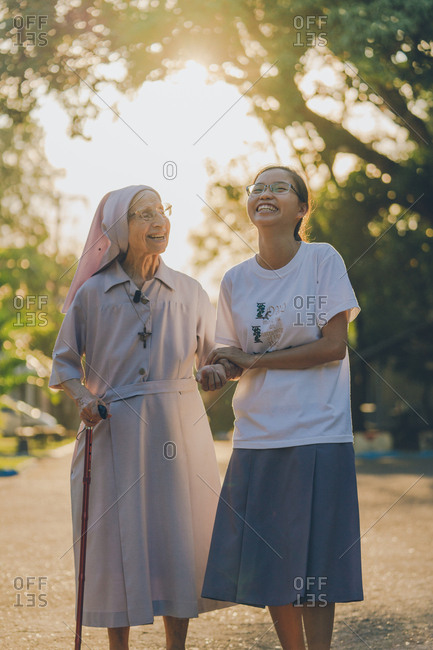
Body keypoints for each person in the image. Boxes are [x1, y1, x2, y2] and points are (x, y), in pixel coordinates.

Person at [49, 185, 231, 650]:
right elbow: (65, 365)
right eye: (144, 213)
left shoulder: (191, 290)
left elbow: (216, 359)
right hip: (113, 430)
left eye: (162, 211)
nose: (158, 221)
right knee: (115, 543)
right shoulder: (92, 294)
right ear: (117, 229)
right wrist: (82, 399)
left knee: (177, 538)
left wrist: (214, 371)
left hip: (178, 429)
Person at [198, 165, 364, 650]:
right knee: (273, 567)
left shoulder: (322, 260)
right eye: (258, 188)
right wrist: (218, 371)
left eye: (279, 188)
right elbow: (231, 360)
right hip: (258, 435)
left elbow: (334, 346)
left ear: (301, 208)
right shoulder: (235, 280)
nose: (265, 194)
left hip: (319, 431)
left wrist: (253, 359)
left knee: (316, 563)